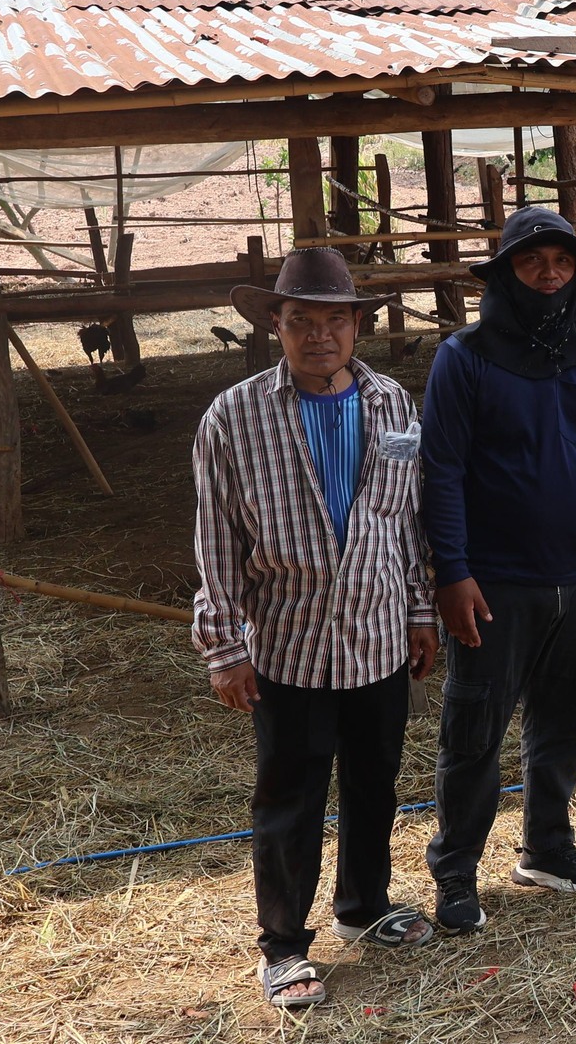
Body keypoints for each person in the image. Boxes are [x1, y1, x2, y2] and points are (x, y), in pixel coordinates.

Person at [192, 248, 436, 1011]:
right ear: (276, 324)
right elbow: (216, 540)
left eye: (336, 319)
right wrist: (224, 645)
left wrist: (420, 607)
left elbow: (409, 519)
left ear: (358, 325)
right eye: (301, 320)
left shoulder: (391, 404)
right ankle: (284, 946)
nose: (320, 335)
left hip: (376, 633)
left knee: (374, 781)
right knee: (290, 797)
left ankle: (363, 904)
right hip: (288, 644)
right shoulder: (234, 417)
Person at [420, 206, 576, 933]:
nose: (549, 274)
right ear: (506, 274)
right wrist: (452, 571)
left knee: (563, 718)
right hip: (493, 581)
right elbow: (441, 471)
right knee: (475, 727)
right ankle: (456, 869)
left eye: (562, 262)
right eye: (532, 262)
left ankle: (547, 846)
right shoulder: (464, 357)